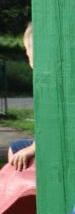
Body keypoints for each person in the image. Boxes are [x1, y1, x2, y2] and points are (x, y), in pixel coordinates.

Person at [6, 23, 36, 170]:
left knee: (18, 152)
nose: (26, 54)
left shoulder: (50, 85)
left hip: (63, 144)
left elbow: (55, 128)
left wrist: (32, 149)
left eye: (27, 49)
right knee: (15, 146)